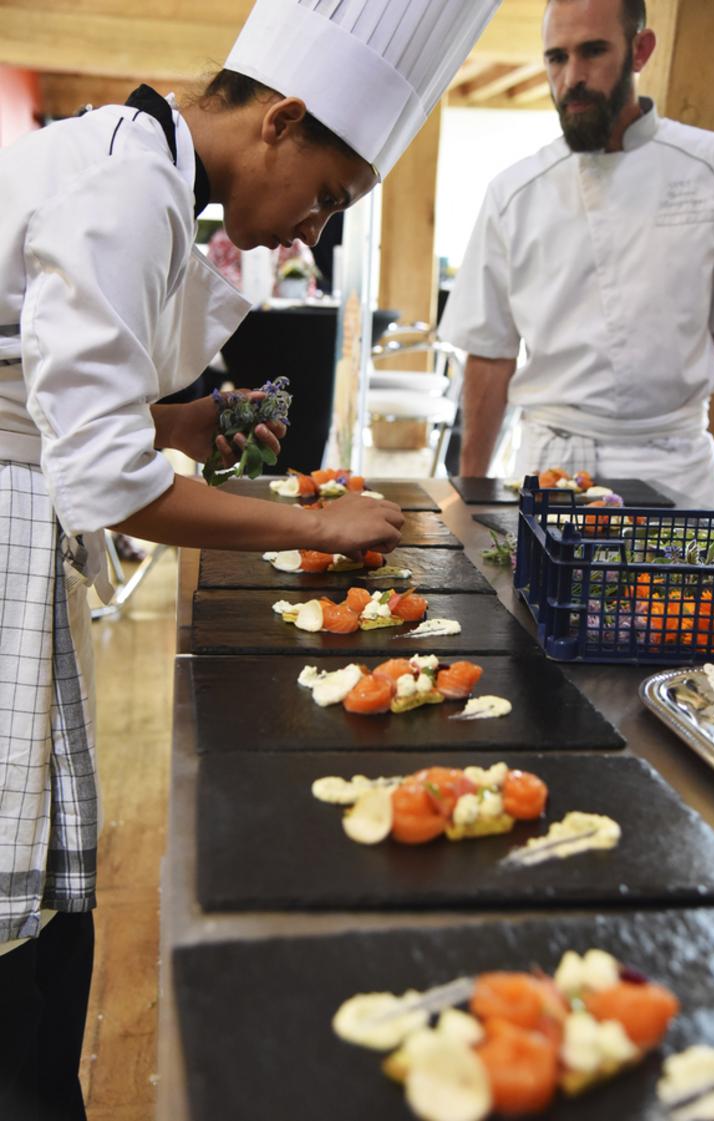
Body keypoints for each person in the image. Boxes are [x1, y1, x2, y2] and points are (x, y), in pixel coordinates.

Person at [0, 0, 503, 1116]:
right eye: (328, 196)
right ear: (280, 120)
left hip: (23, 513)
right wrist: (317, 524)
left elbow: (74, 394)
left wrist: (205, 429)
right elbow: (106, 483)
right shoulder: (129, 188)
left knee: (40, 894)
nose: (314, 232)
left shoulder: (148, 168)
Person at [439, 0, 714, 508]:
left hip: (675, 462)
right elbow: (490, 354)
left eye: (593, 52)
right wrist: (471, 496)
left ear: (640, 50)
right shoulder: (513, 193)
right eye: (556, 58)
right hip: (553, 463)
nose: (572, 77)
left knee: (683, 593)